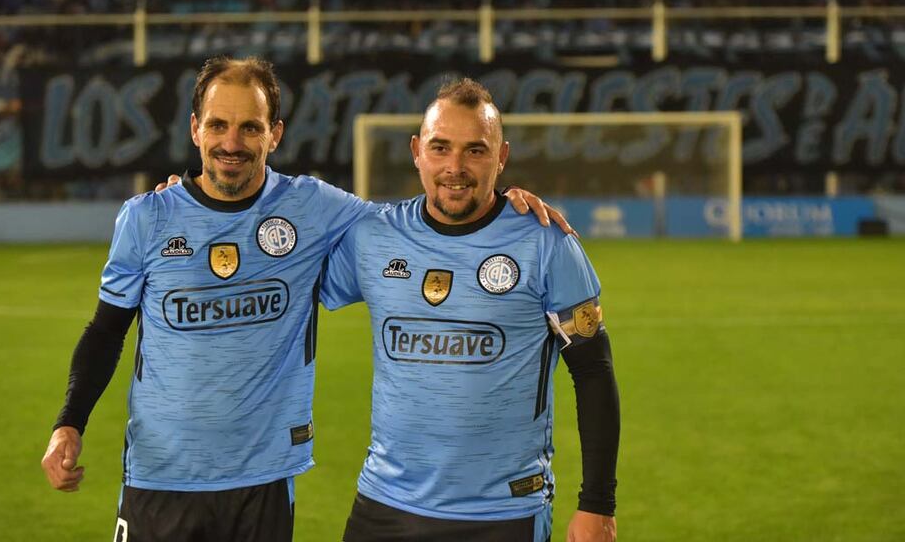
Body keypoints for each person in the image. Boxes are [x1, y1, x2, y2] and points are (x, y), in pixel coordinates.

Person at [40, 57, 569, 542]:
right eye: (219, 125)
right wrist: (70, 422)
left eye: (250, 126)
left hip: (263, 480)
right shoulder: (146, 218)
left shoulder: (314, 207)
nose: (232, 141)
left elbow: (421, 223)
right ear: (195, 129)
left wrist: (501, 207)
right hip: (160, 476)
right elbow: (106, 330)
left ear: (275, 135)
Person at [320, 78, 620, 542]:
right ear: (417, 151)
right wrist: (186, 200)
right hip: (385, 505)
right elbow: (279, 280)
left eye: (475, 151)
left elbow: (594, 372)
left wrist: (597, 504)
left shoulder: (546, 243)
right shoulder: (373, 238)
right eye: (440, 148)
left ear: (501, 158)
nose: (454, 167)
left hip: (502, 513)